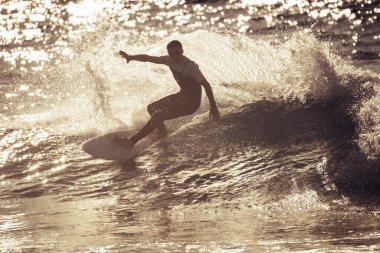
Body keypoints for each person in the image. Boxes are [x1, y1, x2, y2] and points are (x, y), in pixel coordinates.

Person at [115, 40, 220, 149]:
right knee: (152, 108)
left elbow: (206, 85)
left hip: (191, 104)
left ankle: (130, 142)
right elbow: (148, 58)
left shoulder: (190, 66)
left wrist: (213, 106)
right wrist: (131, 57)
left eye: (177, 53)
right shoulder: (168, 60)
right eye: (171, 54)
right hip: (182, 96)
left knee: (158, 115)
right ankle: (162, 134)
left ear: (182, 51)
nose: (175, 57)